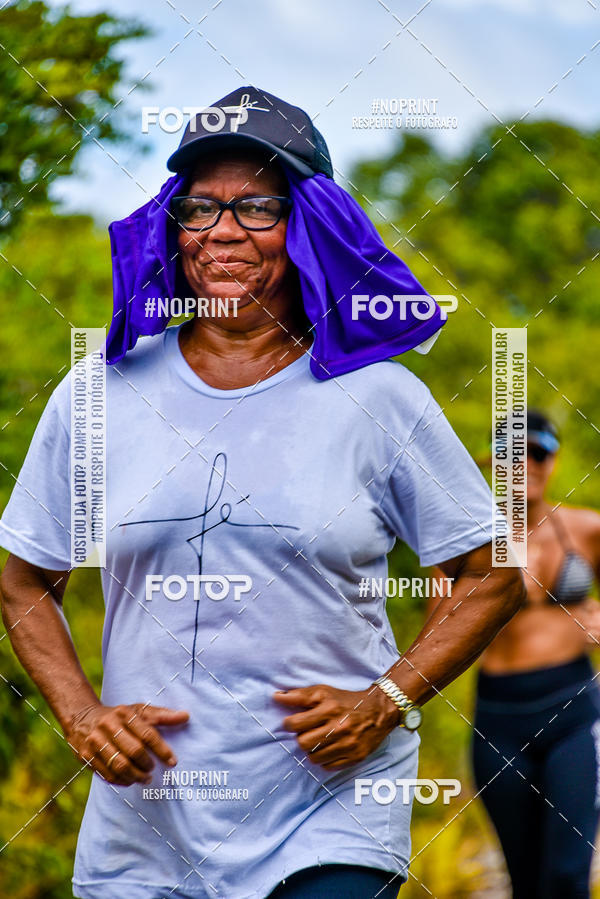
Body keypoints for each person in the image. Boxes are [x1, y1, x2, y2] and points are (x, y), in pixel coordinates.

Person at [0, 86, 523, 899]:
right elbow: (24, 577)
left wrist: (385, 699)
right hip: (146, 832)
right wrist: (81, 714)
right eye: (200, 208)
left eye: (256, 207)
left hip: (329, 812)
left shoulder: (380, 398)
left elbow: (491, 573)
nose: (223, 232)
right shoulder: (98, 395)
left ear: (307, 224)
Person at [433, 409, 600, 898]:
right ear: (491, 462)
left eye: (538, 453)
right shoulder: (463, 542)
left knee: (567, 875)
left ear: (554, 461)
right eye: (511, 454)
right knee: (524, 881)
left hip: (573, 712)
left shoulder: (586, 529)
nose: (525, 464)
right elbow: (438, 634)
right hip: (499, 721)